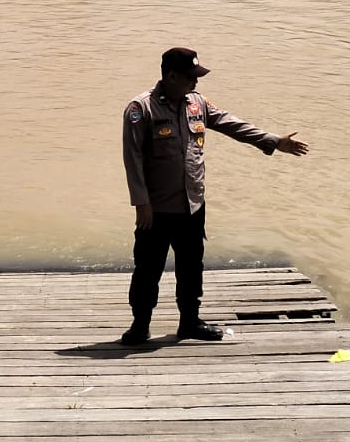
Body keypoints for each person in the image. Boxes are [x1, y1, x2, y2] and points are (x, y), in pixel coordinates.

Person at [120, 46, 308, 345]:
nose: (195, 83)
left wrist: (273, 141)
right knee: (147, 268)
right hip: (155, 208)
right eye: (190, 77)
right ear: (170, 76)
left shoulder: (197, 104)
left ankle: (190, 323)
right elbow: (133, 159)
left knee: (192, 266)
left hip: (192, 204)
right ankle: (140, 325)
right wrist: (141, 202)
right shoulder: (141, 108)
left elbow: (231, 124)